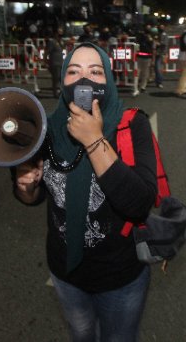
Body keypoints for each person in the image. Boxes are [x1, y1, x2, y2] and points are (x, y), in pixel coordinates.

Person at [14, 42, 158, 341]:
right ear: (63, 79)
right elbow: (35, 196)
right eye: (74, 72)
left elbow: (140, 204)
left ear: (108, 77)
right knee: (81, 334)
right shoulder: (46, 129)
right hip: (66, 274)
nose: (84, 81)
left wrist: (94, 140)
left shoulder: (132, 125)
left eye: (95, 71)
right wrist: (26, 186)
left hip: (120, 277)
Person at [135, 24, 154, 94]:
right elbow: (153, 48)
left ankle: (138, 86)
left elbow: (136, 45)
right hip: (146, 57)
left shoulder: (140, 36)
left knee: (139, 72)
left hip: (141, 56)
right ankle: (141, 86)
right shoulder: (150, 38)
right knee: (143, 73)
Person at [45, 28, 65, 98]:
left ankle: (60, 92)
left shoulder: (59, 42)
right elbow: (46, 52)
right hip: (54, 63)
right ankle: (55, 94)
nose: (60, 36)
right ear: (55, 34)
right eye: (59, 34)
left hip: (60, 63)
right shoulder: (52, 42)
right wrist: (46, 62)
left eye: (61, 35)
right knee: (56, 79)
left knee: (61, 78)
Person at [154, 24, 168, 88]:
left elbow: (164, 44)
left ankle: (159, 82)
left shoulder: (164, 34)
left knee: (159, 68)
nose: (161, 28)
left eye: (162, 27)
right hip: (156, 53)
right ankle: (158, 81)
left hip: (162, 53)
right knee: (157, 68)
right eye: (160, 27)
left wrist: (158, 43)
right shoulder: (156, 34)